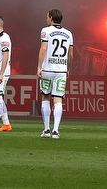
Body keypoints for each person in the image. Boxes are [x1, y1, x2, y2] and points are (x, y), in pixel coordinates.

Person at [36, 8, 74, 139]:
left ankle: (46, 130)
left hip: (47, 69)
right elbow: (71, 54)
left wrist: (39, 67)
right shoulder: (69, 34)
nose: (46, 18)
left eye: (47, 16)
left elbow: (43, 49)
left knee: (45, 97)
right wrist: (68, 68)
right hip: (61, 71)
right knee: (58, 100)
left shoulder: (45, 31)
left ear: (51, 18)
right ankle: (56, 131)